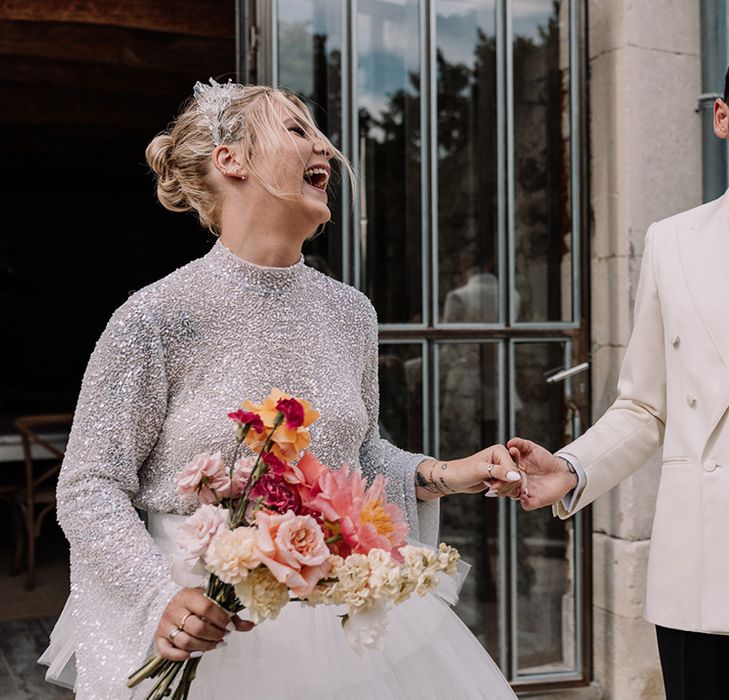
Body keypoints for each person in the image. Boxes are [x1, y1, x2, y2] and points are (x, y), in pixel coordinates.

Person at [40, 80, 522, 699]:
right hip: (207, 628)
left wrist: (444, 474)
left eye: (316, 130)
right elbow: (89, 485)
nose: (324, 144)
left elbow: (360, 456)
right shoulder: (157, 316)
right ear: (230, 160)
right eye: (297, 130)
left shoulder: (351, 314)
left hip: (340, 628)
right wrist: (161, 598)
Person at [507, 39, 729, 699]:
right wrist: (572, 467)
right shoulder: (670, 241)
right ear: (721, 117)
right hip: (700, 571)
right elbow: (645, 406)